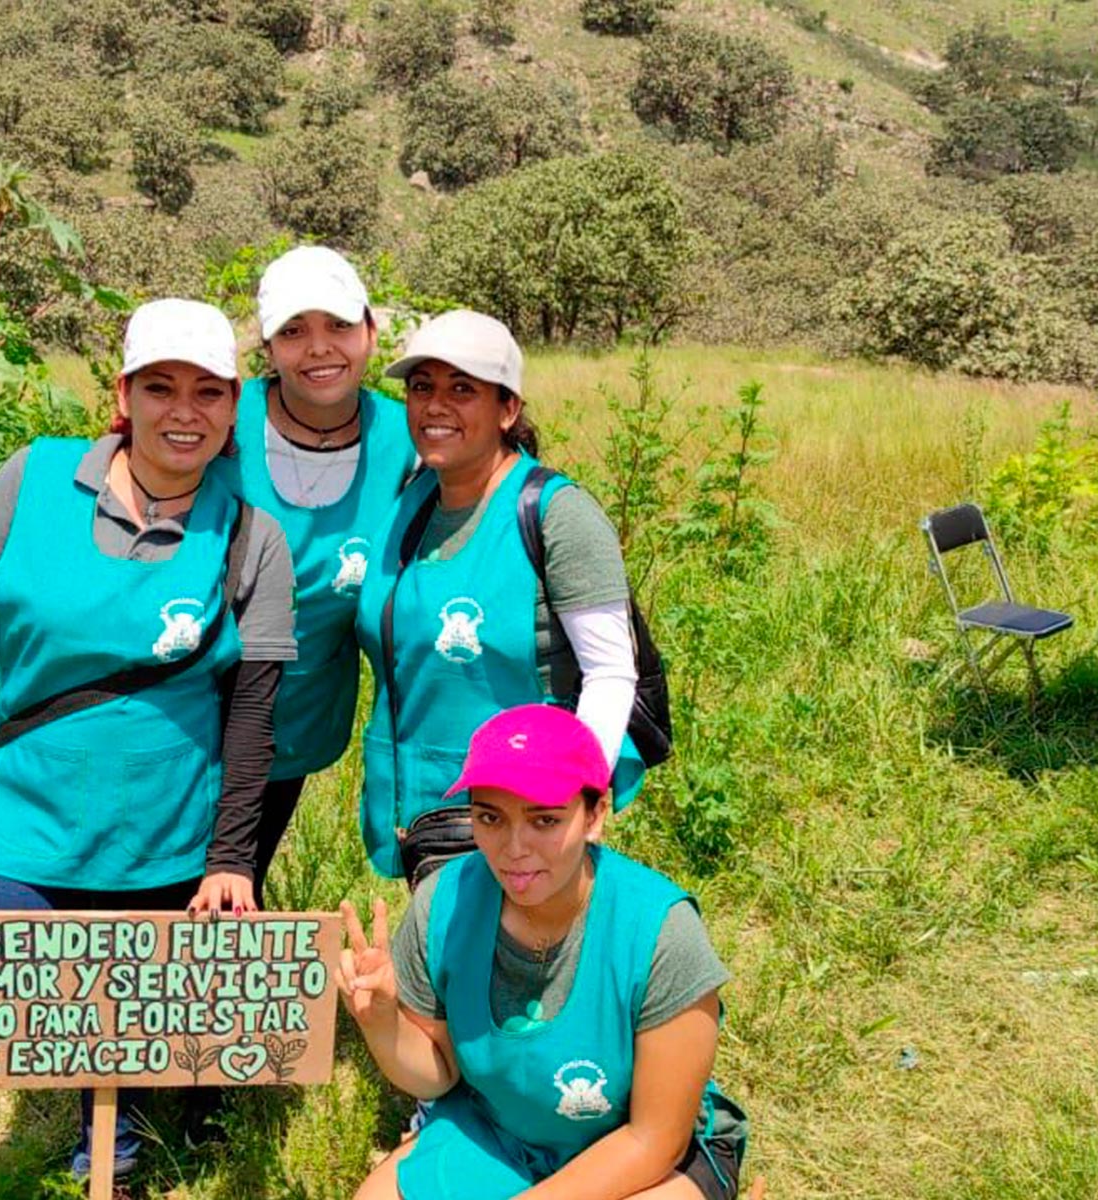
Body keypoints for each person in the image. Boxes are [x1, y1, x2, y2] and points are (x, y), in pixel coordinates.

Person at [0, 298, 298, 1198]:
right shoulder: (34, 479)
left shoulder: (252, 538)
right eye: (160, 386)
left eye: (208, 392)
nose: (184, 410)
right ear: (122, 393)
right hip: (21, 823)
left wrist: (231, 859)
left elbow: (253, 721)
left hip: (162, 839)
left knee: (126, 1027)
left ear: (234, 404)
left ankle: (113, 1170)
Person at [338, 704, 747, 1200]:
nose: (514, 847)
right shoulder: (442, 904)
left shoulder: (659, 930)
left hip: (641, 1153)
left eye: (545, 821)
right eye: (490, 817)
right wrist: (382, 1022)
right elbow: (438, 1074)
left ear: (595, 815)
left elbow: (654, 1138)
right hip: (503, 1132)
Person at [354, 309, 643, 884]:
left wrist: (568, 803)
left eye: (463, 388)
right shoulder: (410, 503)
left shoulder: (556, 516)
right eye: (421, 387)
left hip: (524, 819)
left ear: (508, 408)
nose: (436, 405)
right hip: (422, 807)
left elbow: (611, 672)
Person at [211, 245, 417, 901]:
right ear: (267, 348)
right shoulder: (218, 418)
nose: (319, 348)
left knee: (238, 875)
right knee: (159, 892)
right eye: (294, 331)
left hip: (294, 721)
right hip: (181, 708)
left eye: (337, 326)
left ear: (371, 333)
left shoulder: (408, 438)